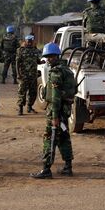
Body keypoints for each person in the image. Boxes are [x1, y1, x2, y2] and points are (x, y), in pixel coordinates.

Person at [31, 43, 76, 179]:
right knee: (63, 137)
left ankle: (46, 169)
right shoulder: (66, 70)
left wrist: (55, 117)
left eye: (50, 57)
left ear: (57, 56)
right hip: (64, 111)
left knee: (49, 138)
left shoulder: (56, 72)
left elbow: (55, 97)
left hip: (56, 112)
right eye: (47, 57)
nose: (48, 60)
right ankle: (68, 167)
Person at [16, 35, 42, 115]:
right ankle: (20, 109)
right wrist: (18, 74)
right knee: (22, 92)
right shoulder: (20, 50)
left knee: (33, 93)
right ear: (25, 41)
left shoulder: (35, 50)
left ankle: (29, 107)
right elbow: (17, 63)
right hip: (23, 75)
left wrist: (42, 62)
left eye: (31, 41)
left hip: (33, 75)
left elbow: (38, 60)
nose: (30, 42)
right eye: (29, 41)